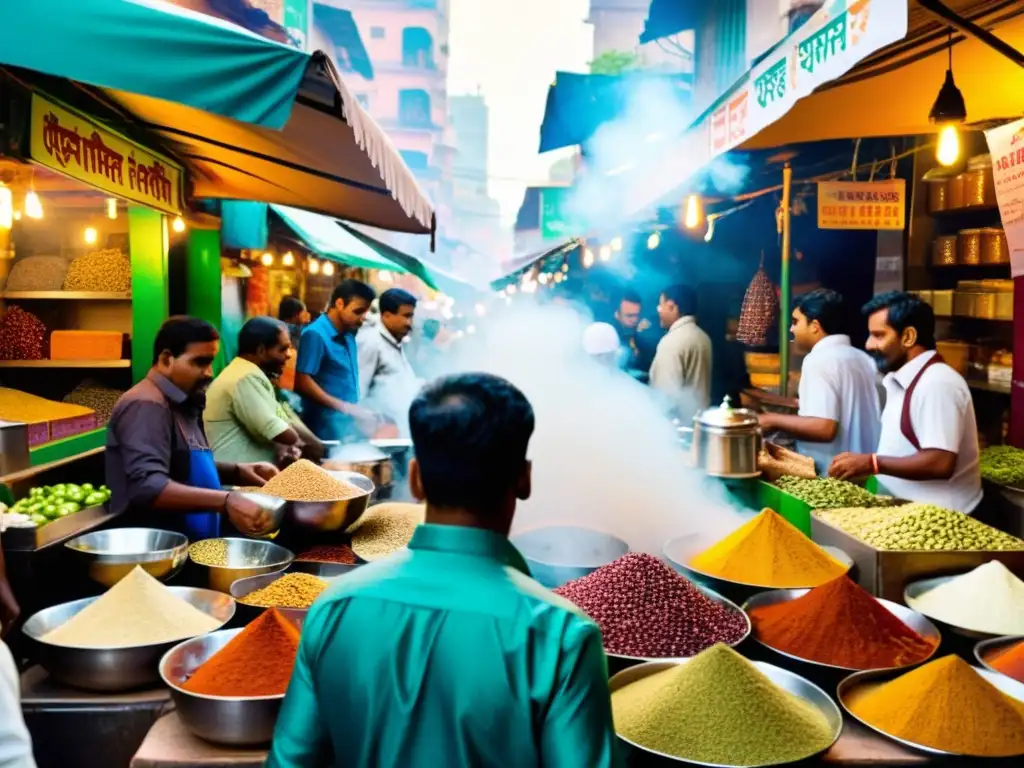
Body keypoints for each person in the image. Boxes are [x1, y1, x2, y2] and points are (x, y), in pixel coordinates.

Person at [267, 373, 621, 768]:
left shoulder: (332, 608)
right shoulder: (561, 637)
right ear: (524, 479)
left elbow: (290, 761)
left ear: (415, 480)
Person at [106, 317, 280, 540]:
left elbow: (179, 464)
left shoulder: (183, 402)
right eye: (200, 362)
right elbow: (147, 485)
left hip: (195, 545)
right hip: (164, 552)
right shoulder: (146, 404)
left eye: (211, 363)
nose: (209, 373)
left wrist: (236, 471)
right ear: (166, 359)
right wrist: (226, 501)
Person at [830, 292, 982, 514]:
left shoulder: (937, 383)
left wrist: (871, 463)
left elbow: (940, 461)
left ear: (908, 337)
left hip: (941, 520)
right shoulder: (902, 379)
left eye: (879, 335)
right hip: (907, 511)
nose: (868, 344)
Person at [759, 289, 881, 473]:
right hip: (865, 472)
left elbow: (824, 427)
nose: (791, 329)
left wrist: (771, 420)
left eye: (795, 322)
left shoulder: (819, 359)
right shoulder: (863, 359)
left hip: (832, 475)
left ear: (815, 326)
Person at [204, 317, 306, 467]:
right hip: (234, 482)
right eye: (283, 349)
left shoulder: (246, 372)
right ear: (261, 351)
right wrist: (302, 443)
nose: (289, 355)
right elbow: (286, 434)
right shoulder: (245, 377)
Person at [295, 280, 378, 440]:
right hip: (323, 427)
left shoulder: (349, 334)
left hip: (347, 425)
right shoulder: (315, 334)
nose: (362, 319)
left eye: (365, 313)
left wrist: (359, 410)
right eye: (358, 311)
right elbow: (303, 382)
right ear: (339, 303)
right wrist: (346, 407)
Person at [648, 284, 712, 422]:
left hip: (678, 430)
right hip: (699, 424)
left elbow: (665, 398)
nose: (658, 311)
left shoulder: (671, 342)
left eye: (660, 306)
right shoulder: (703, 337)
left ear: (671, 306)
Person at [357, 288, 420, 426]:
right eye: (406, 316)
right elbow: (358, 394)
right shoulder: (371, 342)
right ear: (386, 316)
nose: (409, 323)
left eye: (411, 317)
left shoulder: (395, 341)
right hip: (381, 433)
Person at [613, 289, 655, 376]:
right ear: (617, 314)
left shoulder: (644, 334)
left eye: (637, 315)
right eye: (629, 316)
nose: (635, 320)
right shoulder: (609, 336)